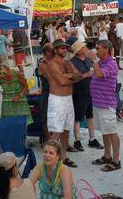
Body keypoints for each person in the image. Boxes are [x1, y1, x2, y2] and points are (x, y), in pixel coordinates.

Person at [87, 40, 121, 172]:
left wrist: (94, 60)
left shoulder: (111, 64)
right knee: (105, 132)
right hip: (98, 103)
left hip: (107, 105)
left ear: (106, 49)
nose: (96, 50)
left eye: (98, 48)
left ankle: (116, 160)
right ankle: (107, 156)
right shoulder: (101, 63)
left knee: (111, 132)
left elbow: (100, 74)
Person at [43, 39, 78, 168]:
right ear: (56, 50)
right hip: (57, 99)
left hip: (68, 99)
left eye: (65, 48)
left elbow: (78, 75)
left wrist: (70, 76)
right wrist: (71, 77)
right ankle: (49, 160)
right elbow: (61, 81)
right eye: (62, 48)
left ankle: (63, 157)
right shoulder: (52, 64)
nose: (64, 50)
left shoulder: (67, 62)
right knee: (56, 132)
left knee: (66, 130)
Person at [68, 41, 103, 152]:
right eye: (83, 47)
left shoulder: (88, 60)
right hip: (79, 92)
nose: (86, 48)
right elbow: (73, 78)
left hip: (90, 91)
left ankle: (92, 138)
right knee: (78, 116)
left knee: (90, 116)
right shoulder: (72, 62)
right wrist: (86, 75)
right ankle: (77, 140)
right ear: (78, 51)